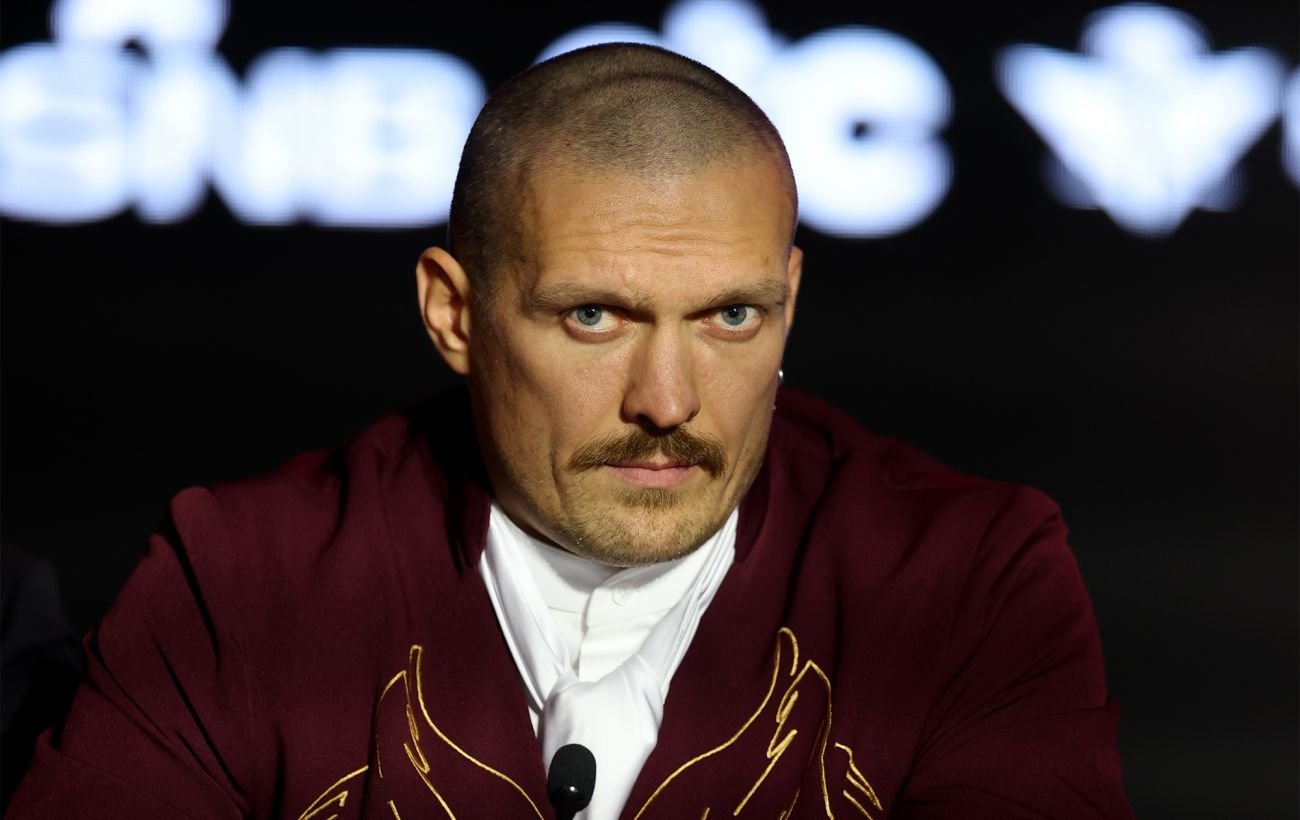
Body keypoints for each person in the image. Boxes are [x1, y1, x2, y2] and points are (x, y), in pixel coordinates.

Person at [7, 44, 1133, 818]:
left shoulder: (968, 576)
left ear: (790, 301)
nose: (668, 401)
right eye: (594, 317)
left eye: (731, 318)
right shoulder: (242, 578)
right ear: (454, 313)